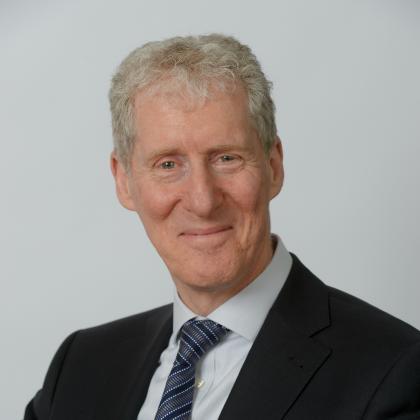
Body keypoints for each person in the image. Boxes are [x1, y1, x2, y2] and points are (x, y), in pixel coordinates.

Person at [24, 34, 420, 420]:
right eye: (167, 164)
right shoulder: (79, 367)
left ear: (273, 166)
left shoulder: (394, 369)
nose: (202, 200)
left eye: (226, 158)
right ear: (124, 180)